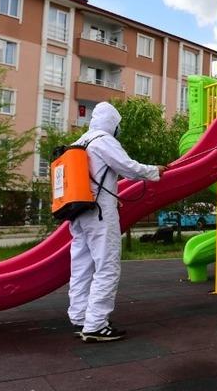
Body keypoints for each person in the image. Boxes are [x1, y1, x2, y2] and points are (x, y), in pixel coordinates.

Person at [68, 102, 165, 342]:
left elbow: (92, 179)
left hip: (77, 211)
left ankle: (80, 317)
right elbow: (128, 167)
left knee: (81, 266)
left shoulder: (79, 142)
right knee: (107, 265)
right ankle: (96, 324)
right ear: (113, 123)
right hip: (99, 213)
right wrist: (155, 171)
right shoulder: (104, 140)